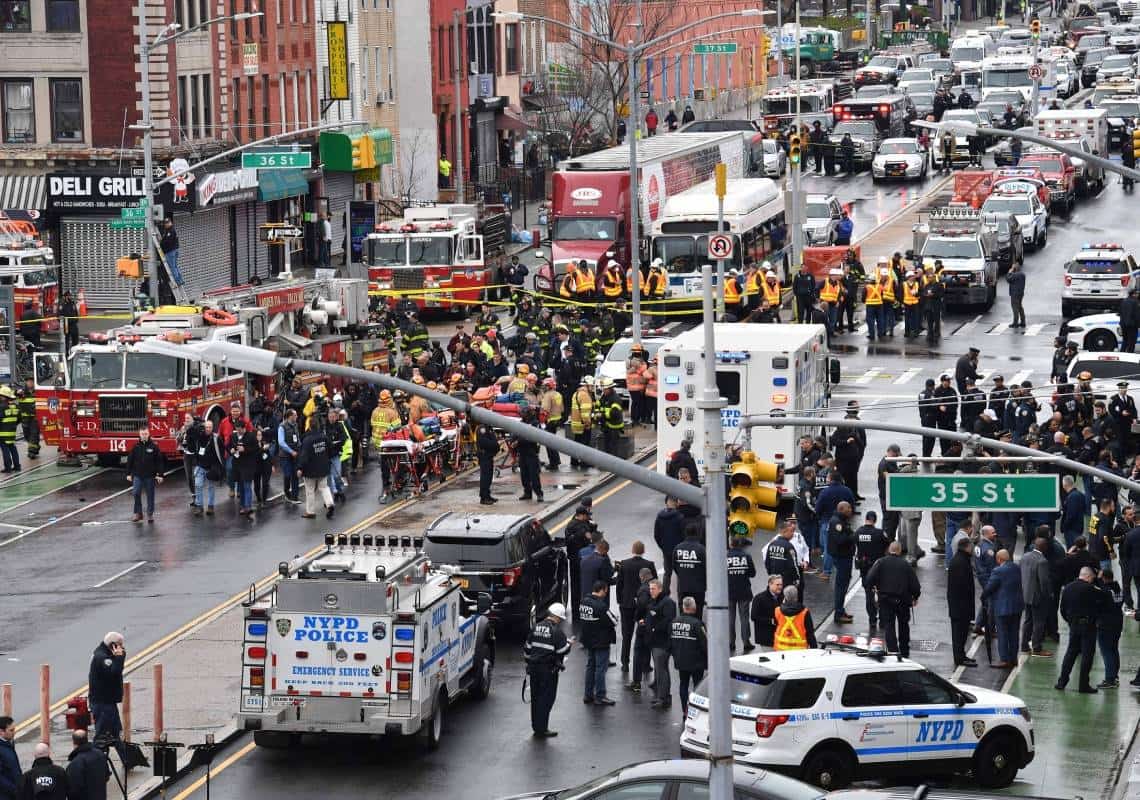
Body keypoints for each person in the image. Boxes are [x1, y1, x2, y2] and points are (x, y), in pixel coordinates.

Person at [523, 602, 571, 737]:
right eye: (560, 618)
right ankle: (542, 729)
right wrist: (569, 644)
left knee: (535, 698)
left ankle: (536, 726)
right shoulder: (557, 632)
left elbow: (527, 649)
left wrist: (529, 664)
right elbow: (562, 650)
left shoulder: (535, 627)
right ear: (556, 616)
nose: (560, 621)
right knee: (546, 698)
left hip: (534, 669)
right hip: (548, 671)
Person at [865, 541, 921, 656]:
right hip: (903, 600)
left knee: (889, 625)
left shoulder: (881, 562)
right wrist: (915, 597)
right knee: (903, 625)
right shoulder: (905, 564)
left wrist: (873, 589)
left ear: (889, 550)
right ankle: (904, 650)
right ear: (899, 551)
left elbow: (869, 579)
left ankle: (893, 650)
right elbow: (915, 585)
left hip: (886, 599)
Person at [1057, 566, 1107, 693]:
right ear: (1089, 576)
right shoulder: (1091, 589)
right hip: (1088, 626)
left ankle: (1062, 682)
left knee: (1070, 654)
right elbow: (1104, 597)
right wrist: (1099, 580)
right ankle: (1083, 685)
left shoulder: (1068, 588)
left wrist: (1070, 622)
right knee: (1087, 656)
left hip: (1074, 625)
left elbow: (1062, 609)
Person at [616, 541, 656, 673]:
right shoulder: (649, 565)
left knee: (626, 635)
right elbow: (654, 584)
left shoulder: (624, 564)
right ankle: (645, 664)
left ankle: (625, 663)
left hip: (627, 604)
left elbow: (619, 584)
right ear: (643, 550)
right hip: (644, 605)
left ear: (632, 550)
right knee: (645, 634)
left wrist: (620, 601)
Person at [982, 549, 1024, 668]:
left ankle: (1005, 659)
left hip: (1003, 607)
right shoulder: (1016, 567)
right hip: (1017, 606)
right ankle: (1013, 658)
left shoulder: (998, 571)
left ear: (999, 559)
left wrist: (984, 596)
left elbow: (990, 587)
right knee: (1014, 633)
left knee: (1003, 633)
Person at [579, 580, 618, 705]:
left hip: (588, 640)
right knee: (601, 669)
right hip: (601, 641)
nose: (606, 593)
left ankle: (588, 694)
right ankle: (600, 696)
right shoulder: (600, 606)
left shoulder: (583, 602)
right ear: (601, 590)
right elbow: (613, 621)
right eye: (606, 591)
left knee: (590, 667)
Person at [670, 597, 707, 714]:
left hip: (681, 660)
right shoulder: (697, 624)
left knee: (683, 684)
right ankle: (695, 710)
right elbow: (705, 643)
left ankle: (684, 710)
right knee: (697, 686)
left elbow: (670, 641)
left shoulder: (674, 622)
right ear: (693, 607)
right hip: (696, 661)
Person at [89, 632, 126, 747]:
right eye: (120, 645)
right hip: (102, 704)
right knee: (102, 737)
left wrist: (120, 655)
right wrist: (119, 657)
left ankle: (126, 757)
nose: (122, 648)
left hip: (108, 702)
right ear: (113, 645)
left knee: (116, 734)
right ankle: (96, 757)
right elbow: (114, 672)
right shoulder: (102, 657)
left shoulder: (106, 654)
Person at [1021, 537, 1056, 658]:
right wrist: (1049, 595)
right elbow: (1044, 582)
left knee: (1028, 621)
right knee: (1039, 623)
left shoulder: (1025, 557)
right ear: (1044, 547)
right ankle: (1036, 648)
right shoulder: (1042, 561)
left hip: (1026, 594)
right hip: (1038, 597)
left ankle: (1024, 645)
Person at [855, 510, 889, 628]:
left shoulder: (858, 532)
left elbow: (855, 545)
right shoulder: (879, 533)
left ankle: (872, 620)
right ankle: (883, 620)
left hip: (864, 569)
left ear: (866, 519)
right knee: (882, 594)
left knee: (869, 595)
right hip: (878, 569)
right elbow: (888, 545)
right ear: (875, 520)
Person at [947, 537, 978, 667]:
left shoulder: (960, 560)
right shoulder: (961, 562)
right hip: (960, 606)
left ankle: (961, 655)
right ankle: (959, 658)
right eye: (971, 546)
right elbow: (963, 586)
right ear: (967, 547)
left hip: (958, 605)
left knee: (961, 633)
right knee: (959, 634)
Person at [645, 579, 676, 708]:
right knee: (660, 669)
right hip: (655, 641)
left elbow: (668, 621)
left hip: (662, 642)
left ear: (660, 589)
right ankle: (662, 696)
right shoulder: (654, 601)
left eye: (653, 589)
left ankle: (664, 698)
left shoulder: (668, 603)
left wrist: (654, 628)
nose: (651, 591)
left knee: (661, 670)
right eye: (650, 588)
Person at [297, 422, 334, 520]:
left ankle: (310, 512)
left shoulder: (307, 440)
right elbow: (331, 449)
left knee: (310, 490)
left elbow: (304, 456)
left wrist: (300, 468)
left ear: (309, 427)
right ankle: (330, 504)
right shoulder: (324, 437)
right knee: (324, 487)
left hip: (310, 470)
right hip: (323, 468)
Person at [125, 427, 163, 523]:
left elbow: (159, 461)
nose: (144, 436)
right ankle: (138, 513)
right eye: (142, 434)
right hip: (137, 475)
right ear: (139, 435)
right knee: (136, 492)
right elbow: (130, 460)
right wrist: (128, 473)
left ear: (149, 434)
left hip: (150, 475)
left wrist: (160, 474)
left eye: (146, 434)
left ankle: (150, 514)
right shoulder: (136, 446)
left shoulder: (154, 446)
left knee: (150, 495)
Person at [726, 536, 757, 652]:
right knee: (744, 617)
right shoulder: (746, 556)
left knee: (730, 617)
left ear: (731, 544)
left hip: (729, 591)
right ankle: (746, 642)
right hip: (744, 590)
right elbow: (752, 573)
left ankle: (731, 642)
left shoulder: (725, 556)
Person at [829, 502, 857, 623]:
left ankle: (841, 610)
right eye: (848, 508)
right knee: (841, 585)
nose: (850, 510)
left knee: (844, 583)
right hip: (842, 557)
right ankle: (838, 613)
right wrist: (853, 536)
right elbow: (840, 540)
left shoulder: (842, 520)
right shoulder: (837, 522)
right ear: (841, 509)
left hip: (845, 556)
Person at [673, 524, 707, 617]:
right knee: (697, 613)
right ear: (697, 533)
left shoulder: (678, 548)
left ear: (685, 533)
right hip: (698, 587)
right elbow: (706, 568)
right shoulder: (701, 549)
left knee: (683, 613)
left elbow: (675, 566)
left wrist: (683, 574)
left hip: (683, 586)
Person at [1098, 568, 1124, 689]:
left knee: (1106, 651)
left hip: (1105, 624)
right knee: (1114, 649)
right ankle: (1114, 676)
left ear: (1103, 577)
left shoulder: (1104, 592)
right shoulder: (1119, 589)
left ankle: (1109, 679)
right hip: (1117, 623)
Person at [65, 729, 108, 800]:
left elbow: (73, 789)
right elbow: (106, 775)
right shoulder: (100, 754)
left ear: (74, 742)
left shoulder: (76, 763)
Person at [773, 585, 817, 650]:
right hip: (799, 650)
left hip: (781, 648)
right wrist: (814, 648)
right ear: (796, 597)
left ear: (785, 597)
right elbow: (810, 633)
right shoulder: (804, 612)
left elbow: (776, 626)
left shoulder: (778, 610)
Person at [580, 539, 615, 610]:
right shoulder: (603, 561)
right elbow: (606, 579)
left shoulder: (583, 560)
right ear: (605, 551)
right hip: (598, 598)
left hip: (585, 596)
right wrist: (618, 579)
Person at [750, 575, 783, 649]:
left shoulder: (783, 597)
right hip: (766, 639)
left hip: (781, 637)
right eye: (777, 585)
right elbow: (754, 616)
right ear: (770, 584)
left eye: (781, 584)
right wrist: (771, 621)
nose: (780, 587)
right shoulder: (759, 598)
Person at [0, 390, 20, 473]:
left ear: (4, 397)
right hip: (12, 431)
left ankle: (8, 468)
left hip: (2, 432)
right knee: (13, 448)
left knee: (5, 450)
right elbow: (19, 419)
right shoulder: (16, 406)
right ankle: (17, 466)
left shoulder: (1, 407)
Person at [0, 716, 19, 800]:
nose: (14, 732)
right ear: (1, 731)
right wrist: (14, 789)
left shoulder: (9, 743)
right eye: (11, 730)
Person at [159, 217, 182, 286]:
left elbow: (167, 241)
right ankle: (180, 280)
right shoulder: (170, 230)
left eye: (167, 223)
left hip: (170, 252)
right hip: (174, 250)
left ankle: (177, 281)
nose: (166, 224)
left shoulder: (170, 231)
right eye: (165, 223)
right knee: (175, 266)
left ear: (170, 223)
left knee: (172, 267)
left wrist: (161, 243)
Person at [1007, 263, 1027, 328]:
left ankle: (1015, 323)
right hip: (1021, 293)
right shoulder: (1023, 274)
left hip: (1014, 294)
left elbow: (1008, 279)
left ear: (1014, 269)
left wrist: (1009, 272)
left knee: (1015, 308)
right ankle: (1023, 321)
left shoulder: (1014, 275)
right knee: (1020, 307)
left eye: (1013, 267)